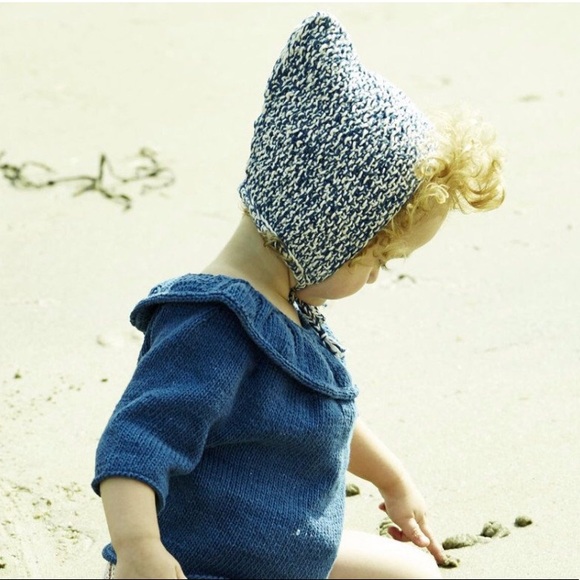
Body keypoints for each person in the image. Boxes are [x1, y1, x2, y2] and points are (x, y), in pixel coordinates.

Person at [92, 11, 504, 580]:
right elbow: (135, 442)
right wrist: (140, 550)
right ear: (323, 232)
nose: (376, 278)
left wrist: (392, 480)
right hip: (201, 565)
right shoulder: (212, 324)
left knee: (415, 573)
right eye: (377, 259)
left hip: (286, 555)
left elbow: (319, 415)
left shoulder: (287, 312)